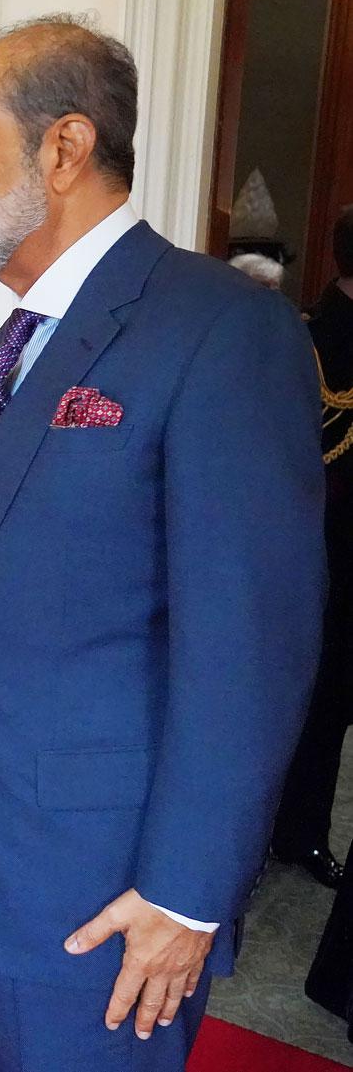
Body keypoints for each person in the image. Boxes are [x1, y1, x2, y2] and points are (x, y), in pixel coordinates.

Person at [0, 14, 325, 1072]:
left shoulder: (225, 330)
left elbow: (251, 643)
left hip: (114, 889)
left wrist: (188, 891)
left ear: (65, 148)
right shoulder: (22, 336)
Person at [273, 205, 353, 889]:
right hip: (310, 548)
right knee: (299, 697)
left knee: (332, 707)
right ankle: (280, 831)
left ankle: (304, 830)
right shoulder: (299, 335)